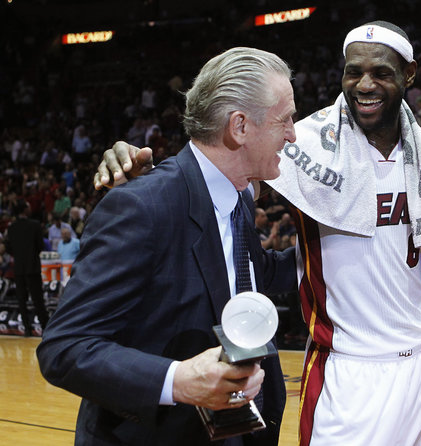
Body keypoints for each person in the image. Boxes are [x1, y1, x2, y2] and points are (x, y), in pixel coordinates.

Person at [95, 22, 421, 445]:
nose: (364, 84)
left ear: (409, 74)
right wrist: (147, 176)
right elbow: (219, 176)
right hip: (349, 370)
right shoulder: (304, 145)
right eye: (354, 71)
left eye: (381, 73)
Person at [37, 47, 298, 446]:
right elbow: (64, 347)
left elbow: (248, 272)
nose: (292, 133)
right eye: (285, 119)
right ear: (240, 126)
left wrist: (334, 254)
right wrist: (179, 381)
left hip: (231, 428)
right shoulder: (141, 205)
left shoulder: (240, 197)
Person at [4, 199, 50, 336]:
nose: (30, 209)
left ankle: (27, 329)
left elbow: (8, 248)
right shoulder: (34, 225)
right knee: (38, 300)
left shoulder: (11, 227)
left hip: (19, 268)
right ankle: (46, 328)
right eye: (28, 207)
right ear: (24, 210)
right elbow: (41, 246)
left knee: (22, 300)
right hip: (33, 267)